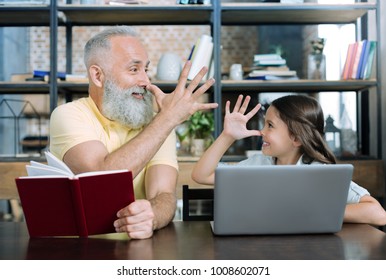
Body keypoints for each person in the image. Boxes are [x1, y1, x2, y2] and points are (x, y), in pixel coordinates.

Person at [49, 26, 218, 239]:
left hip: (136, 251)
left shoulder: (157, 123)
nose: (145, 81)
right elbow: (101, 180)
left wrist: (152, 216)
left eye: (146, 69)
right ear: (98, 76)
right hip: (80, 253)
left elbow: (163, 195)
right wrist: (167, 119)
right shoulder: (68, 115)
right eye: (134, 69)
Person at [192, 94, 386, 226]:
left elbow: (378, 214)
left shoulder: (320, 172)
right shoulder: (258, 165)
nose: (261, 131)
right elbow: (202, 175)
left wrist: (315, 213)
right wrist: (228, 136)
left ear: (296, 138)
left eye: (270, 126)